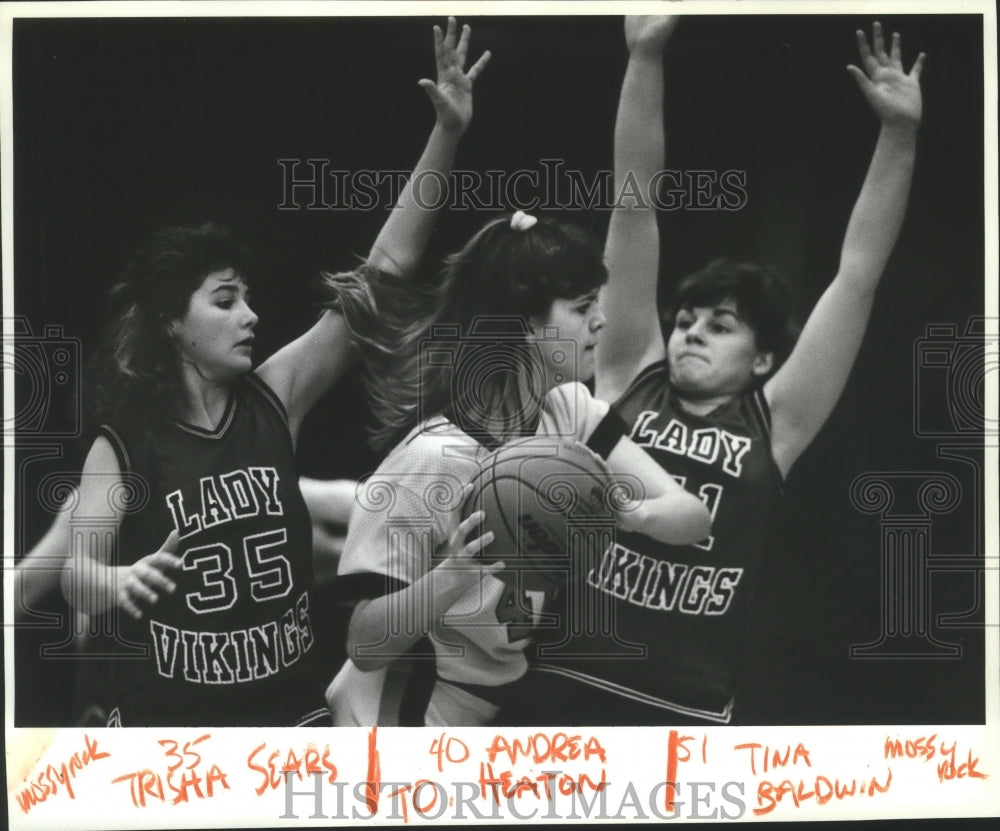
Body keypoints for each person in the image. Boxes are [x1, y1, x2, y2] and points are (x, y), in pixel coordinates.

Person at [60, 17, 490, 727]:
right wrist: (117, 578)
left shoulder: (273, 396)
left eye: (249, 297)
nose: (251, 315)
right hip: (179, 736)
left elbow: (381, 278)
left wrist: (446, 134)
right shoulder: (123, 442)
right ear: (172, 321)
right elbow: (76, 578)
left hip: (290, 720)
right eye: (226, 301)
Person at [513, 17, 926, 726]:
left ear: (764, 358)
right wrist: (644, 55)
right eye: (686, 318)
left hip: (686, 707)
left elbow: (858, 275)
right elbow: (634, 200)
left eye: (720, 323)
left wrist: (899, 134)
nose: (691, 329)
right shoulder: (626, 369)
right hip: (562, 678)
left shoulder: (778, 420)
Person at [324, 210, 712, 727]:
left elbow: (695, 517)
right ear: (527, 325)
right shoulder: (430, 460)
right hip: (426, 712)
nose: (601, 320)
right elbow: (364, 643)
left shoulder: (569, 409)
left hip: (513, 694)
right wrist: (451, 577)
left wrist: (630, 512)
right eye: (582, 306)